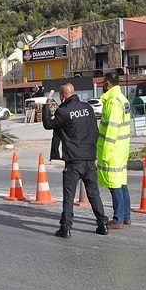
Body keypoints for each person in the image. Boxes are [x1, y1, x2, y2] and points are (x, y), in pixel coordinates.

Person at [42, 83, 108, 238]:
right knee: (93, 193)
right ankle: (102, 224)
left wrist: (46, 107)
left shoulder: (64, 112)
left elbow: (48, 124)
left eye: (60, 96)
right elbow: (94, 131)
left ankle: (65, 228)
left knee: (69, 194)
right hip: (89, 158)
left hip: (74, 160)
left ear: (63, 95)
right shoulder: (88, 108)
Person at [97, 72, 132, 229]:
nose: (103, 86)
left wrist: (105, 153)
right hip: (122, 148)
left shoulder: (113, 102)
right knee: (122, 183)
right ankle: (126, 217)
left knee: (114, 184)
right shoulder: (123, 99)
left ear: (108, 84)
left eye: (104, 83)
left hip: (113, 149)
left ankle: (118, 219)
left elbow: (112, 129)